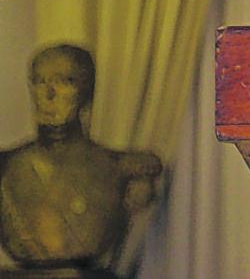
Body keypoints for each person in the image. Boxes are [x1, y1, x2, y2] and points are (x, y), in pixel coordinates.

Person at [0, 44, 162, 270]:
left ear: (85, 92)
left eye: (64, 82)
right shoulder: (7, 166)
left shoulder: (116, 167)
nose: (49, 94)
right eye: (39, 81)